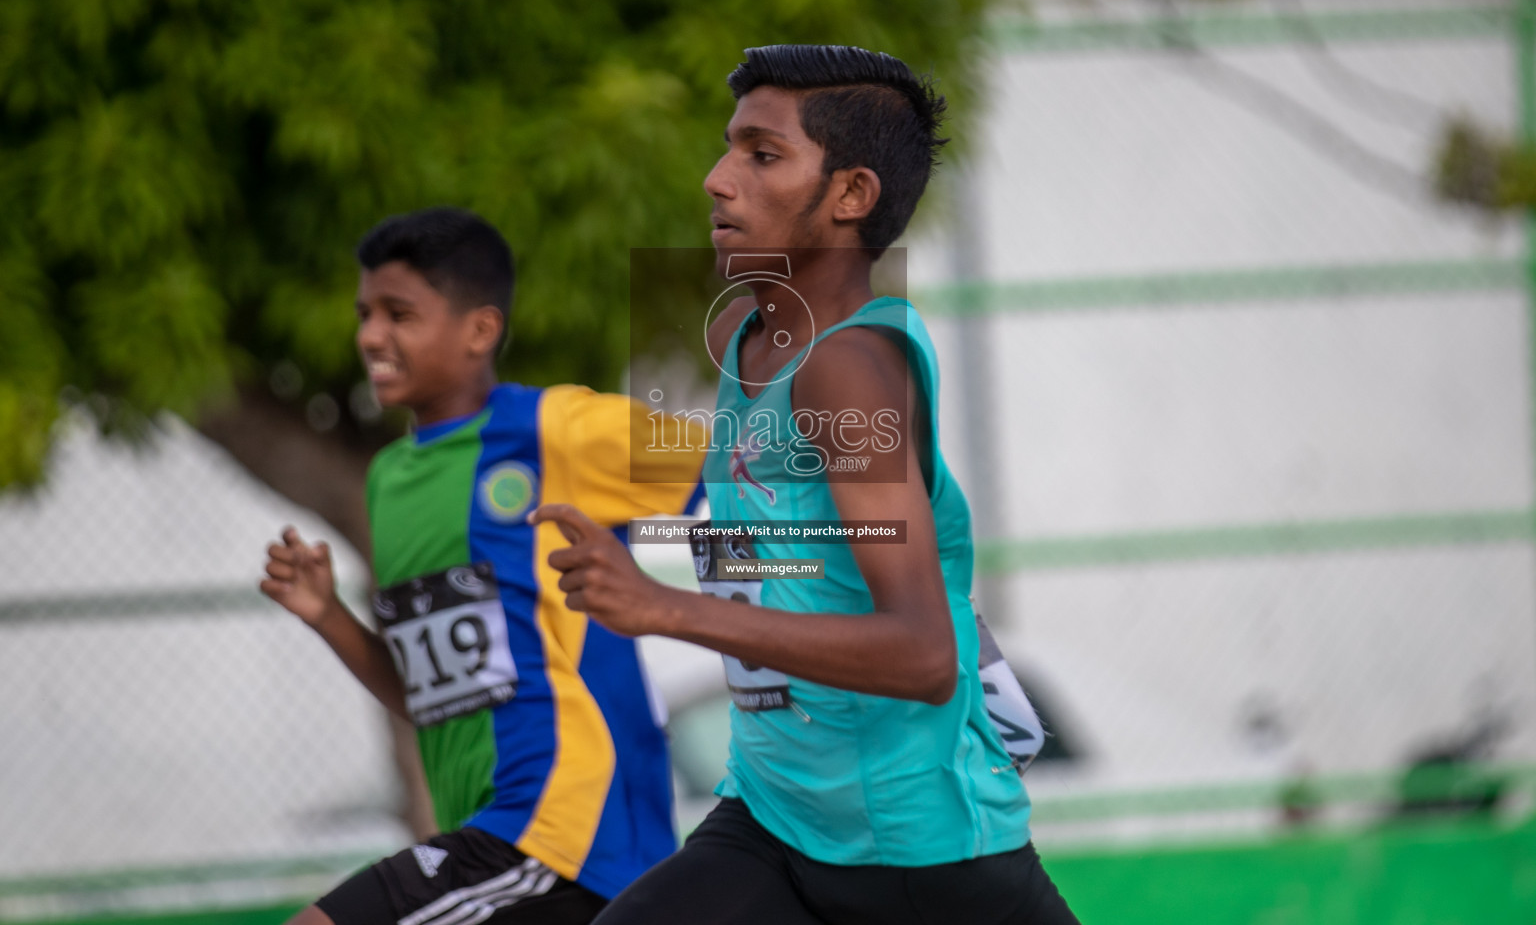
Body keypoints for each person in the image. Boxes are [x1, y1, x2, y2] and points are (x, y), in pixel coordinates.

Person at [533, 46, 1078, 923]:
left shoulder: (850, 369)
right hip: (777, 823)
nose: (716, 180)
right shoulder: (752, 341)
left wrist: (664, 607)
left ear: (851, 196)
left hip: (917, 857)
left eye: (761, 154)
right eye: (728, 149)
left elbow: (923, 654)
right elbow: (785, 547)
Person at [260, 207, 707, 925]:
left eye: (399, 314)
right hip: (491, 834)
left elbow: (762, 478)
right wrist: (327, 616)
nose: (370, 335)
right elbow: (433, 700)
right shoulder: (390, 479)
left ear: (480, 329)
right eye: (365, 313)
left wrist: (686, 604)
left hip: (563, 837)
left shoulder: (556, 430)